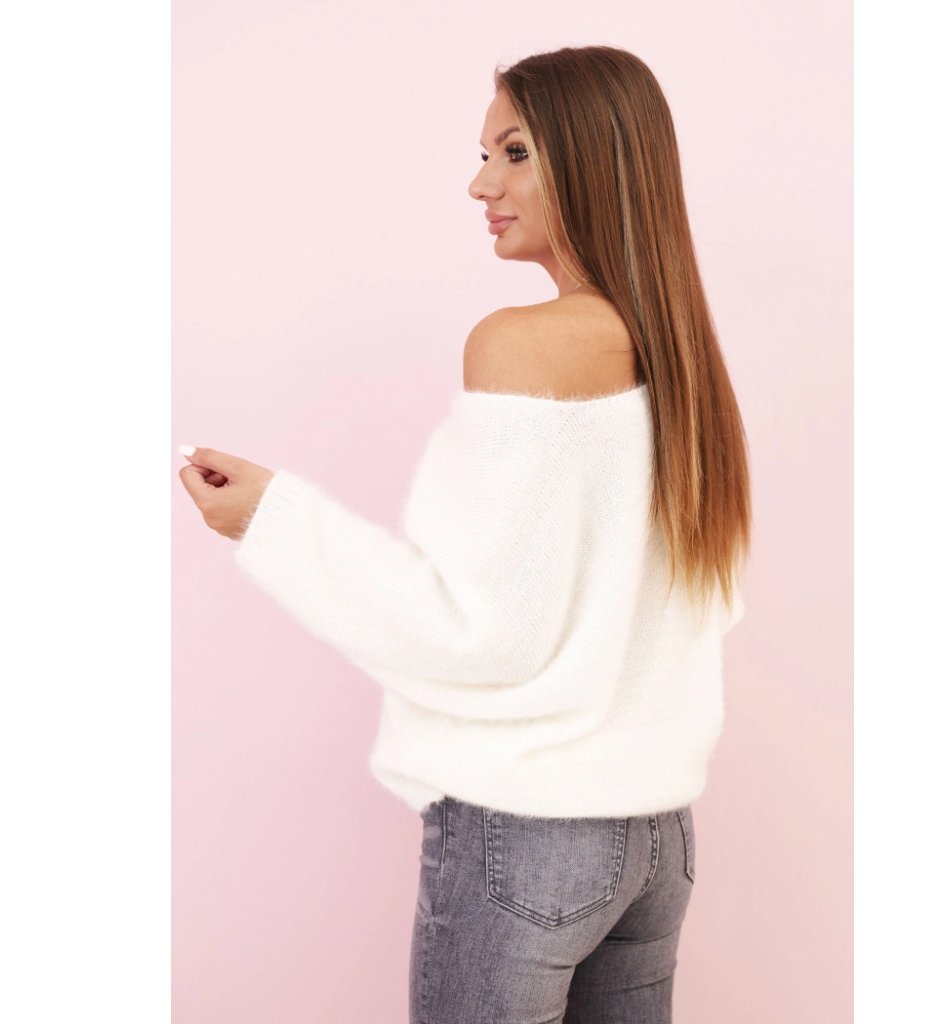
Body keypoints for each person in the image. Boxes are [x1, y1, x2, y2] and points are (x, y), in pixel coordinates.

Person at [179, 43, 750, 1024]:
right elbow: (706, 602)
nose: (481, 184)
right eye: (485, 154)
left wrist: (268, 518)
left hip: (530, 836)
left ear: (594, 158)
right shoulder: (685, 359)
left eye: (514, 152)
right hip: (658, 840)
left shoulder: (520, 344)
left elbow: (477, 631)